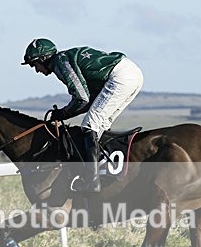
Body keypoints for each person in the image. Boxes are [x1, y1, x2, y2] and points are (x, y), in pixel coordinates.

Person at [21, 38, 144, 193]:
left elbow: (82, 98)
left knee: (89, 125)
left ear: (44, 58)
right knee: (101, 125)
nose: (36, 70)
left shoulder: (61, 62)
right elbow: (89, 101)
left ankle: (91, 182)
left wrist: (63, 112)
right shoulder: (64, 60)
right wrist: (65, 114)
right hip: (132, 74)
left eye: (34, 64)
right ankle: (104, 171)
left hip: (120, 77)